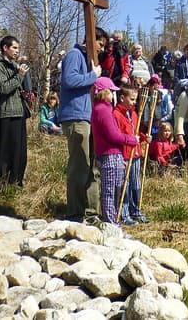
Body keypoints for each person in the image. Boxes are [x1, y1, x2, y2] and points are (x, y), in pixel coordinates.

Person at [60, 26, 107, 223]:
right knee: (80, 166)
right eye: (100, 44)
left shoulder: (88, 61)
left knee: (92, 167)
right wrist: (92, 76)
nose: (102, 49)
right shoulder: (73, 55)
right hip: (75, 117)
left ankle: (91, 212)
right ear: (90, 40)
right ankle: (75, 213)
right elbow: (69, 79)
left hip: (87, 117)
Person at [91, 77, 138, 225]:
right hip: (109, 155)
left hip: (111, 155)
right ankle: (111, 224)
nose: (113, 95)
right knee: (110, 193)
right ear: (105, 92)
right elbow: (113, 135)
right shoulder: (103, 110)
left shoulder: (102, 108)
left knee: (114, 190)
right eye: (111, 92)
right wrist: (132, 140)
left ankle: (113, 222)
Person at [0, 35, 30, 192]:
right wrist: (19, 76)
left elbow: (19, 87)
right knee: (4, 151)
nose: (17, 51)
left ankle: (16, 182)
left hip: (19, 112)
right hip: (6, 113)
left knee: (19, 151)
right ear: (5, 48)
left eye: (18, 48)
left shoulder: (14, 65)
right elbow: (3, 88)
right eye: (14, 48)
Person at [113, 84, 150, 225]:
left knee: (136, 183)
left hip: (136, 153)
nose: (135, 102)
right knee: (125, 184)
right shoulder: (116, 114)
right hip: (125, 154)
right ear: (122, 98)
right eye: (132, 99)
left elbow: (135, 132)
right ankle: (124, 213)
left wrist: (143, 137)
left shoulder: (134, 114)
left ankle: (136, 211)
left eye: (136, 99)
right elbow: (118, 135)